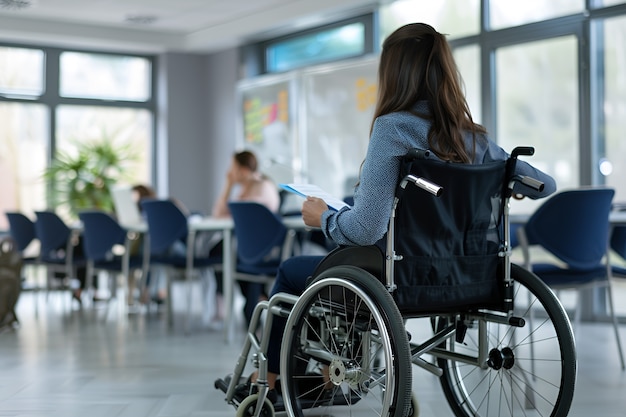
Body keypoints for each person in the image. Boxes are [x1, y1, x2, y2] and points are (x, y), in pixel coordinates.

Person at [235, 22, 557, 403]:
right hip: (467, 278)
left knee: (296, 272)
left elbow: (367, 228)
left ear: (394, 74)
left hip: (400, 277)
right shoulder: (475, 139)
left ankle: (267, 380)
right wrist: (502, 180)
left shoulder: (393, 129)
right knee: (354, 267)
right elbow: (545, 186)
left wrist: (322, 217)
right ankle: (325, 374)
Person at [211, 150, 281, 327]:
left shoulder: (263, 186)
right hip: (245, 246)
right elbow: (218, 214)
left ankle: (252, 299)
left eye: (232, 168)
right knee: (221, 250)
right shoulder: (243, 189)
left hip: (265, 247)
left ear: (242, 170)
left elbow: (258, 218)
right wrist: (227, 185)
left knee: (223, 251)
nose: (229, 172)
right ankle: (256, 298)